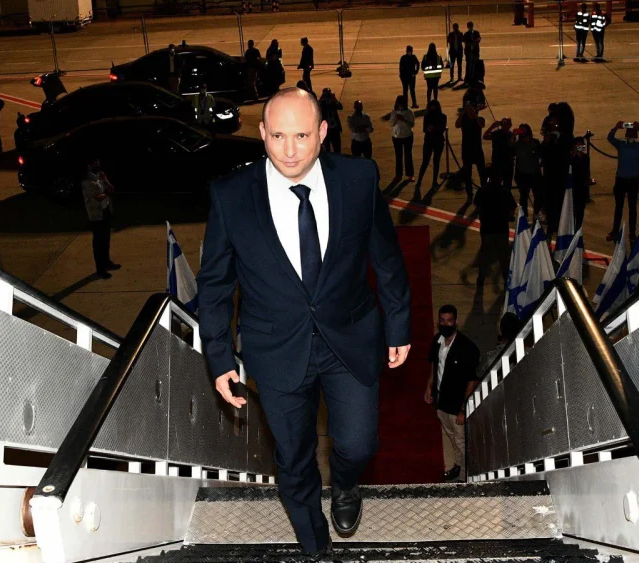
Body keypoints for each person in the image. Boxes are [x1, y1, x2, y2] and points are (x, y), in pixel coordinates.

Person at [196, 87, 412, 559]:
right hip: (274, 350)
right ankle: (316, 548)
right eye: (277, 136)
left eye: (300, 135)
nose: (289, 150)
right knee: (293, 461)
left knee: (358, 444)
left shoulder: (358, 179)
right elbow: (213, 286)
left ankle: (347, 484)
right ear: (262, 135)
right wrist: (218, 356)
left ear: (322, 133)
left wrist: (398, 323)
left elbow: (387, 257)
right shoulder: (231, 195)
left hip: (349, 338)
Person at [425, 305, 479, 483]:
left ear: (456, 321)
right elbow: (435, 366)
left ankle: (465, 476)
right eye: (442, 321)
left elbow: (472, 380)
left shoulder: (467, 348)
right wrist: (429, 387)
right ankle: (458, 466)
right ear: (438, 321)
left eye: (449, 321)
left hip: (457, 405)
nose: (445, 324)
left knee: (462, 442)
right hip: (441, 402)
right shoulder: (437, 341)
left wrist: (463, 408)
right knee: (452, 438)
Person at [606, 121, 639, 242]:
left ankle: (631, 233)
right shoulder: (622, 145)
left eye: (633, 135)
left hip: (632, 181)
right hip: (622, 180)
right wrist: (616, 127)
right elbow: (610, 138)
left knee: (632, 208)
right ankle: (616, 231)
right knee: (619, 207)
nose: (631, 137)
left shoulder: (638, 146)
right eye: (629, 135)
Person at [81, 159, 121, 279]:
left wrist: (106, 181)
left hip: (106, 211)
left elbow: (111, 189)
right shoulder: (87, 181)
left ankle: (107, 262)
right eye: (94, 163)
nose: (97, 165)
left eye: (98, 163)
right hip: (96, 215)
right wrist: (107, 194)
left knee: (106, 240)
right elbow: (97, 197)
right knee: (99, 243)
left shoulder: (100, 176)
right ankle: (100, 269)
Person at [472, 181, 517, 286]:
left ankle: (481, 279)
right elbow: (512, 206)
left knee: (485, 255)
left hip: (487, 228)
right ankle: (507, 280)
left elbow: (477, 205)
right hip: (501, 229)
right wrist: (509, 216)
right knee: (503, 256)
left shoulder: (482, 191)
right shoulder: (504, 192)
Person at [456, 101, 486, 204]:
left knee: (482, 173)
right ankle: (470, 195)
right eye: (469, 110)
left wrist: (475, 116)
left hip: (477, 149)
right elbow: (457, 124)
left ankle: (483, 194)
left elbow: (482, 125)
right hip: (466, 149)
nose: (471, 111)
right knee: (467, 174)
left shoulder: (479, 119)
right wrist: (462, 113)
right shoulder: (464, 119)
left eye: (472, 110)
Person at [417, 100, 447, 191]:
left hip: (437, 140)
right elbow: (425, 129)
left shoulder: (442, 117)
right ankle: (419, 180)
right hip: (430, 141)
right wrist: (432, 128)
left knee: (436, 162)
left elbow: (441, 129)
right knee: (425, 162)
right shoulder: (427, 116)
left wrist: (432, 128)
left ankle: (434, 181)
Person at [514, 123, 542, 217]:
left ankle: (537, 213)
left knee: (538, 195)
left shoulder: (536, 142)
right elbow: (517, 153)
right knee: (523, 197)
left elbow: (541, 154)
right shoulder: (518, 144)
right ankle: (524, 215)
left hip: (534, 173)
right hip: (523, 173)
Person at [386, 95, 416, 182]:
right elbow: (391, 124)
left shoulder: (409, 112)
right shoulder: (394, 112)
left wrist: (403, 119)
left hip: (407, 136)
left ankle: (410, 174)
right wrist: (396, 119)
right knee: (398, 156)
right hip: (397, 137)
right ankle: (398, 175)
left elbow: (412, 124)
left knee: (408, 155)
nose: (401, 106)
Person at [483, 117, 515, 192]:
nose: (505, 126)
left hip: (507, 164)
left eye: (507, 124)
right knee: (496, 185)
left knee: (507, 186)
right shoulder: (497, 134)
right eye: (503, 124)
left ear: (510, 125)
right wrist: (491, 127)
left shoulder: (511, 135)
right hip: (498, 163)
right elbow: (485, 136)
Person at [571, 137, 592, 229]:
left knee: (580, 210)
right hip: (574, 187)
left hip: (582, 187)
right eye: (577, 145)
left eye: (581, 145)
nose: (579, 147)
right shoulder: (571, 158)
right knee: (573, 209)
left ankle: (578, 226)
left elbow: (587, 172)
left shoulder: (586, 157)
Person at [319, 88, 343, 153]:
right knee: (327, 149)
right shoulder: (321, 104)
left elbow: (340, 107)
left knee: (337, 148)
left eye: (328, 94)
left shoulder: (332, 102)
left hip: (334, 129)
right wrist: (321, 99)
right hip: (326, 130)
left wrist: (334, 99)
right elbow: (316, 108)